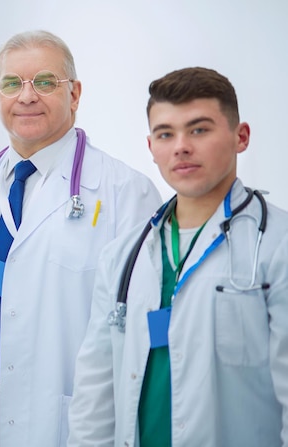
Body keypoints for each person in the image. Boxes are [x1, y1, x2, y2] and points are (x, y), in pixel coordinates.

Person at [0, 30, 162, 447]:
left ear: (75, 94)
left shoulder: (125, 192)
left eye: (46, 82)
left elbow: (141, 336)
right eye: (12, 83)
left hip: (70, 423)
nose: (27, 96)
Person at [67, 67, 288, 447]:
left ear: (241, 137)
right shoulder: (123, 257)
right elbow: (95, 394)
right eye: (166, 133)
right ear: (151, 147)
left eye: (199, 129)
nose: (181, 146)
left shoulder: (276, 246)